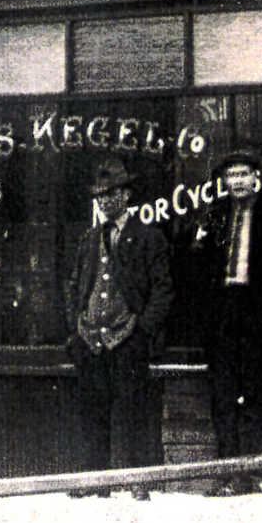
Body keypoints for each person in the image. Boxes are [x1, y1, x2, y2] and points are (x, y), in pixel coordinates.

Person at [191, 150, 262, 493]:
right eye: (232, 175)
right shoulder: (215, 215)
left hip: (258, 311)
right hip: (224, 310)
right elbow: (200, 263)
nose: (238, 181)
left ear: (256, 177)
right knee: (223, 394)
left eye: (244, 174)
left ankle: (251, 472)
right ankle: (226, 472)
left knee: (253, 393)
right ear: (224, 181)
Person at [64, 157, 173, 499]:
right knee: (93, 414)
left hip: (128, 340)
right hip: (90, 340)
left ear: (126, 195)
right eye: (99, 196)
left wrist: (141, 331)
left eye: (112, 194)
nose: (105, 201)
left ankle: (137, 484)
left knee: (132, 413)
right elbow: (75, 287)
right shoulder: (88, 240)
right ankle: (96, 484)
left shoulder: (148, 238)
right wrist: (77, 325)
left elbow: (163, 291)